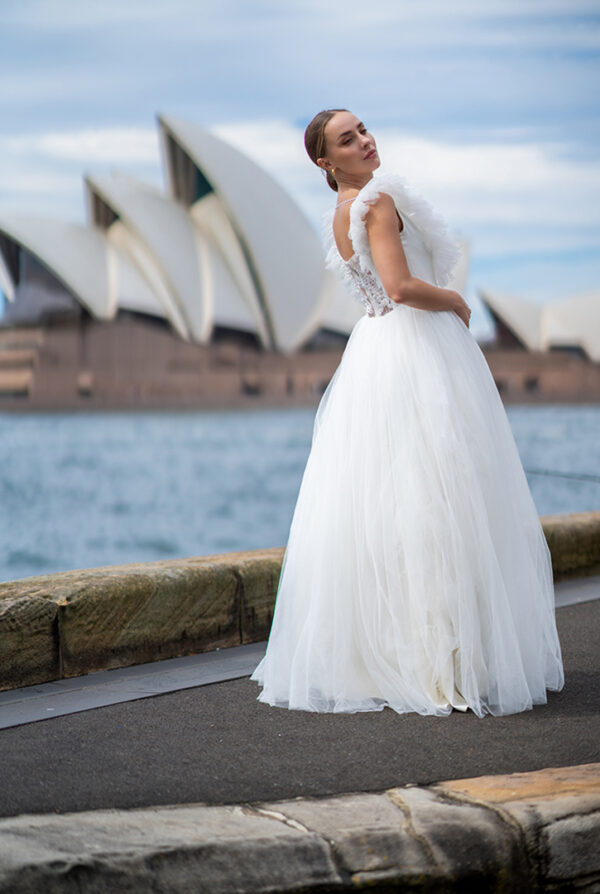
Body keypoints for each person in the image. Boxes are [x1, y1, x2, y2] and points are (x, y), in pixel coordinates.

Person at [249, 108, 564, 717]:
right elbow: (399, 287)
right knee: (442, 501)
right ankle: (446, 664)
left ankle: (405, 655)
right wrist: (455, 300)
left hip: (373, 355)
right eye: (348, 139)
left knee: (391, 510)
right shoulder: (378, 202)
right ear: (326, 161)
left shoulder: (341, 216)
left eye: (363, 130)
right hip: (419, 346)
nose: (365, 141)